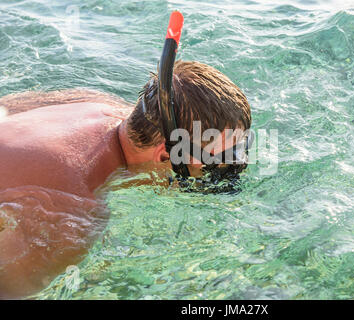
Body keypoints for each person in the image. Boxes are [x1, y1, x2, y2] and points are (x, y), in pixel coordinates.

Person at [0, 53, 252, 299]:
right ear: (165, 156)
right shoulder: (69, 214)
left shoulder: (97, 104)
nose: (218, 172)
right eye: (210, 164)